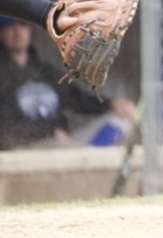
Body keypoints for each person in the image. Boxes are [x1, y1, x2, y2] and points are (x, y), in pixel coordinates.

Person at [0, 16, 136, 150]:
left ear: (30, 31)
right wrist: (49, 132)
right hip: (28, 148)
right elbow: (6, 125)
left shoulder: (45, 72)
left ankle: (90, 157)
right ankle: (87, 158)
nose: (17, 32)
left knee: (120, 122)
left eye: (22, 25)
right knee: (64, 146)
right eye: (10, 26)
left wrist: (111, 104)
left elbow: (78, 100)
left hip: (64, 142)